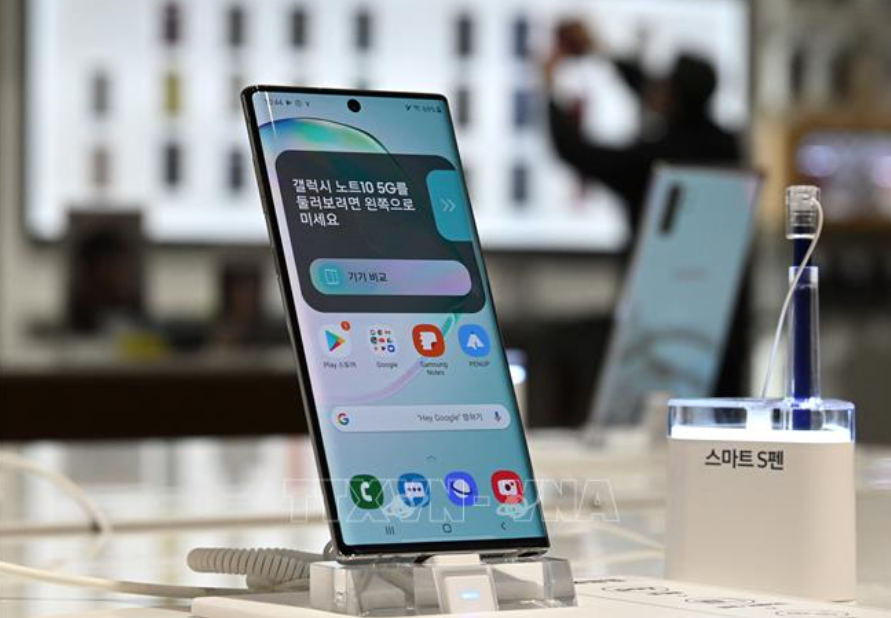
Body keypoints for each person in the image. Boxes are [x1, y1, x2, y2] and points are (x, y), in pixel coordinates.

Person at [543, 20, 739, 232]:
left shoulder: (652, 162)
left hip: (655, 255)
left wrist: (549, 87)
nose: (655, 91)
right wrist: (598, 50)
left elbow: (573, 150)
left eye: (663, 87)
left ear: (671, 99)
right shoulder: (729, 146)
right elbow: (647, 88)